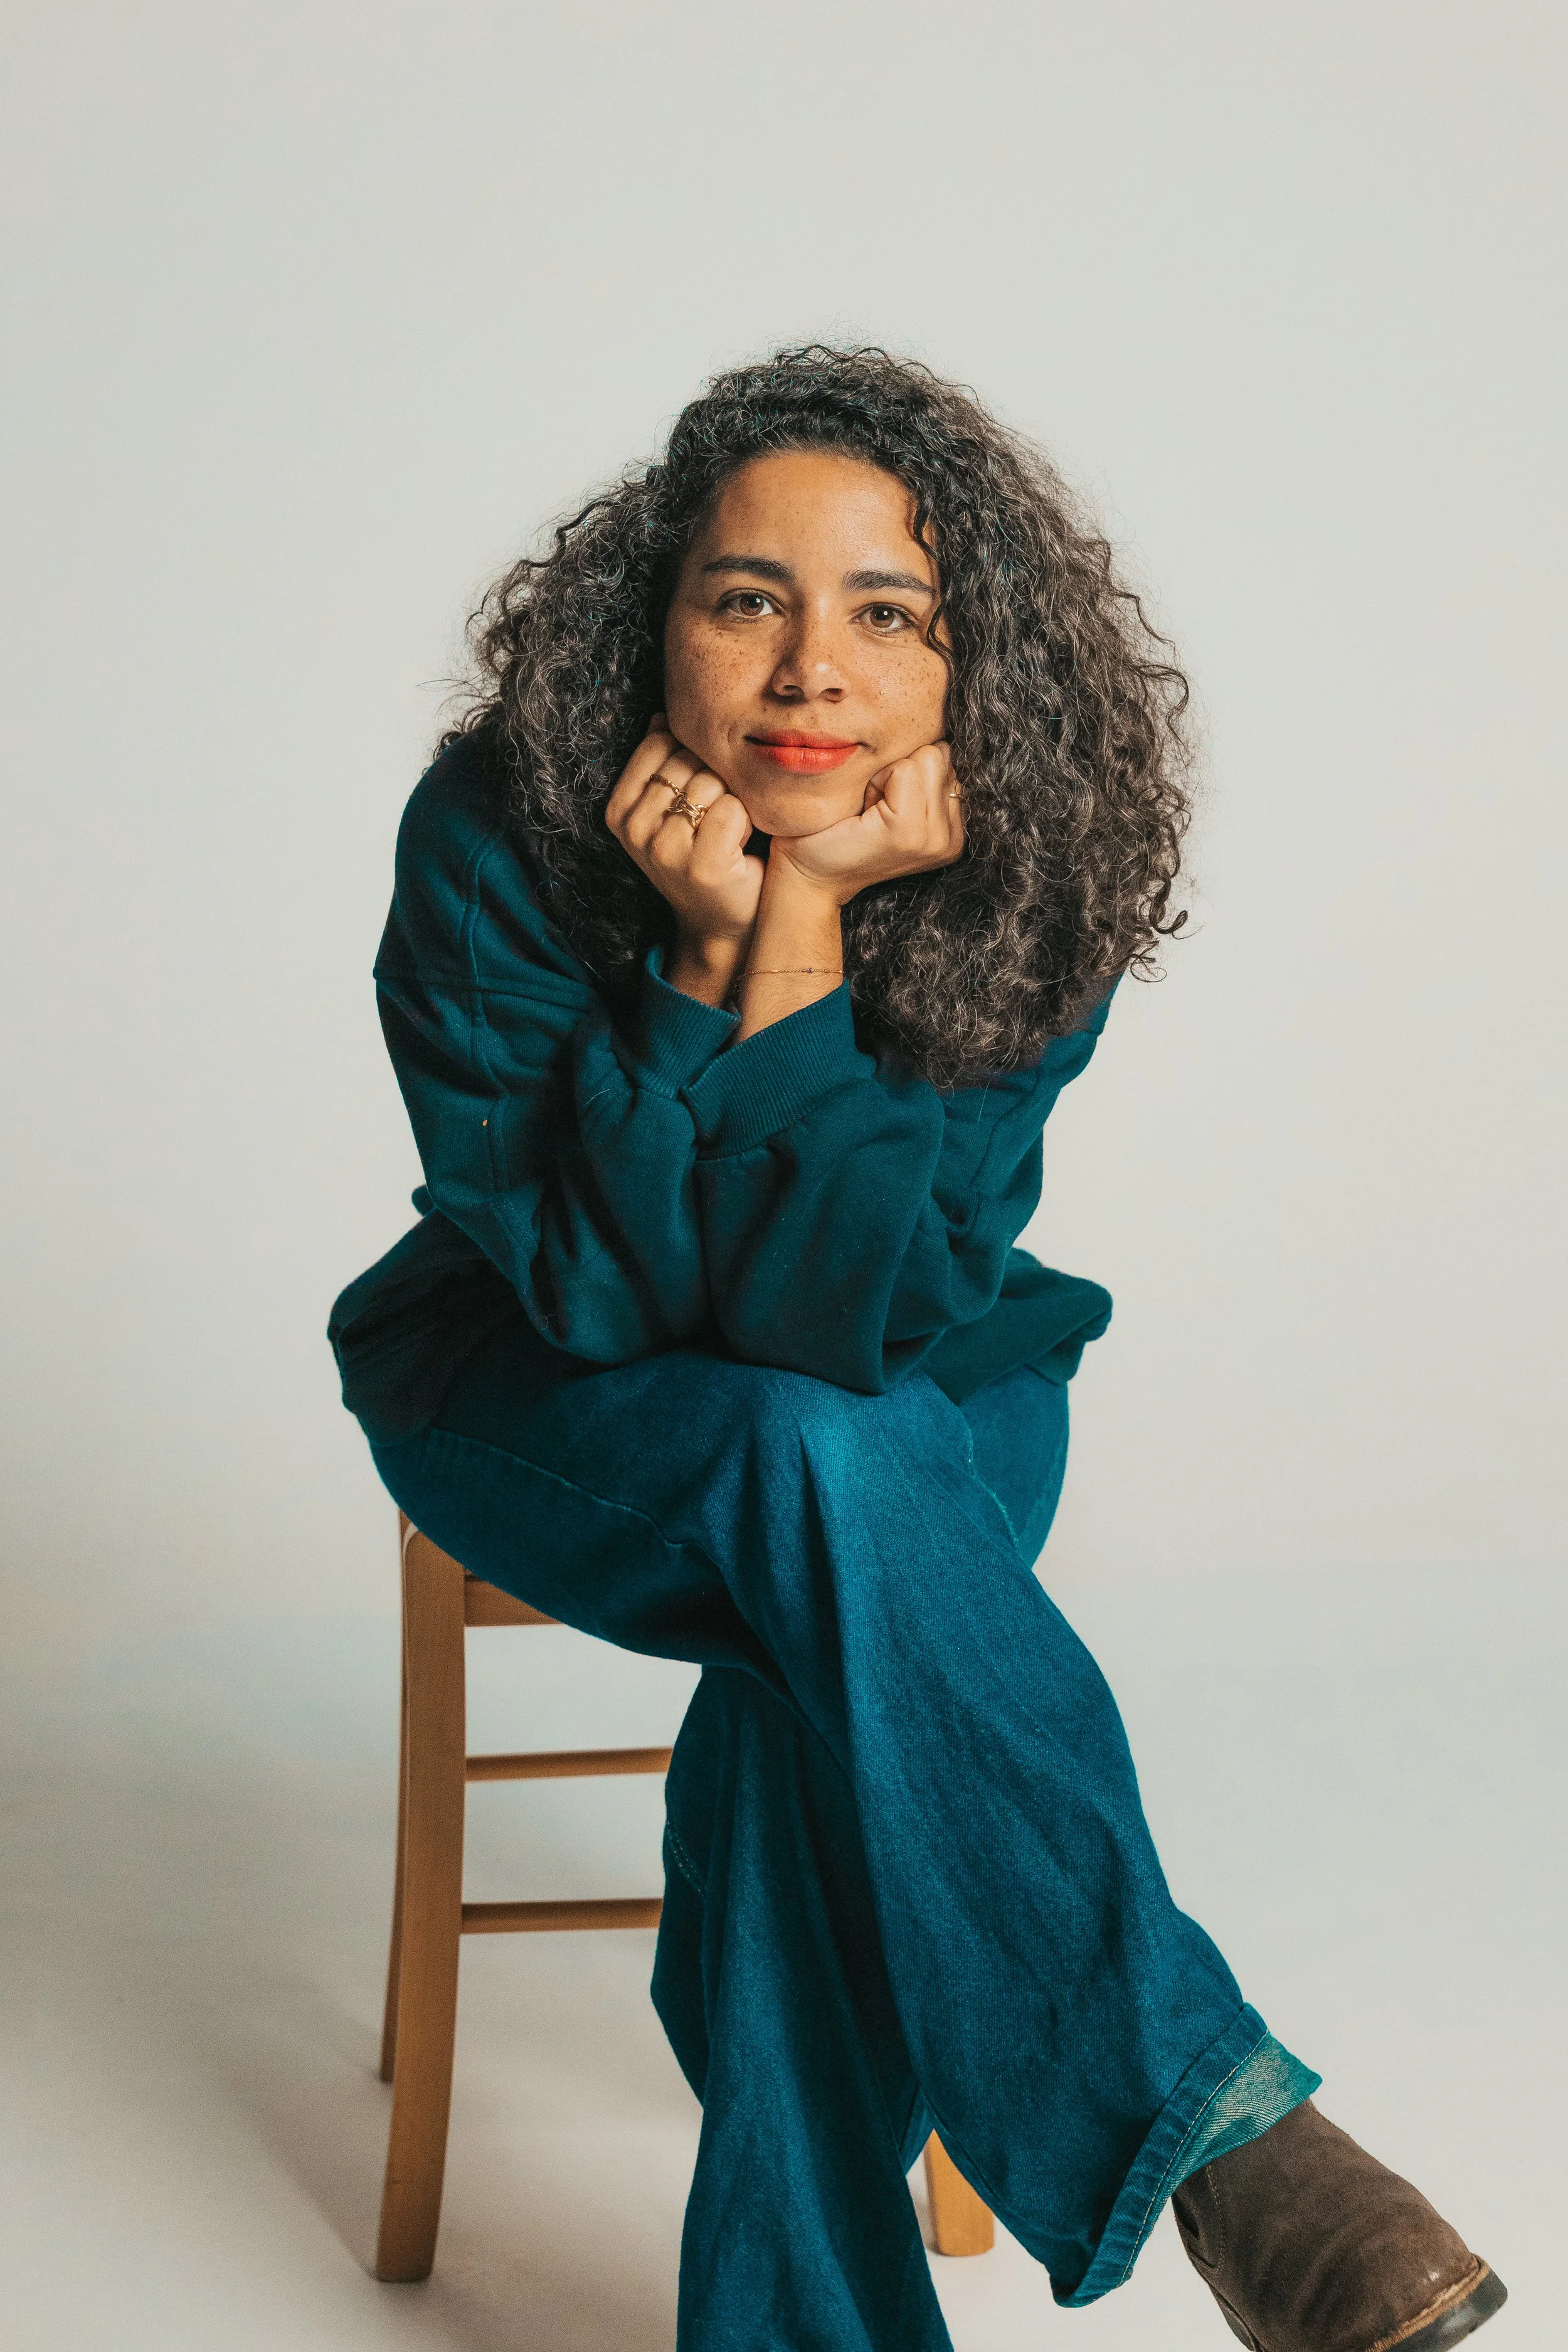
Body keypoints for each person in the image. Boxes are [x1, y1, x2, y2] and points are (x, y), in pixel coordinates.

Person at [329, 346, 1505, 2352]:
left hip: (916, 1382)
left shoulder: (1031, 880)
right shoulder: (493, 839)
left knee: (835, 1530)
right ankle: (1218, 2126)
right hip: (540, 1393)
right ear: (652, 623)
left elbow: (846, 1322)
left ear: (974, 673)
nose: (812, 671)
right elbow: (605, 1302)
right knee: (833, 1491)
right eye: (746, 599)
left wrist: (791, 943)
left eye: (891, 614)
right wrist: (712, 957)